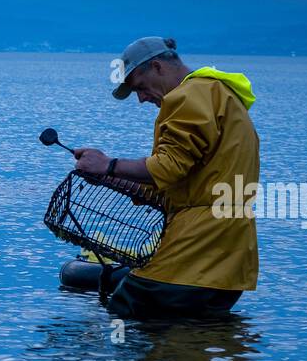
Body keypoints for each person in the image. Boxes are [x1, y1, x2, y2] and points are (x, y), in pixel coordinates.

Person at [72, 36, 260, 319]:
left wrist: (108, 165)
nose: (141, 98)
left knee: (125, 311)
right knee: (192, 344)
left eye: (140, 87)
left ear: (158, 67)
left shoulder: (188, 97)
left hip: (191, 255)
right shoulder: (220, 95)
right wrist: (108, 177)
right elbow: (175, 185)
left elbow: (168, 166)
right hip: (228, 266)